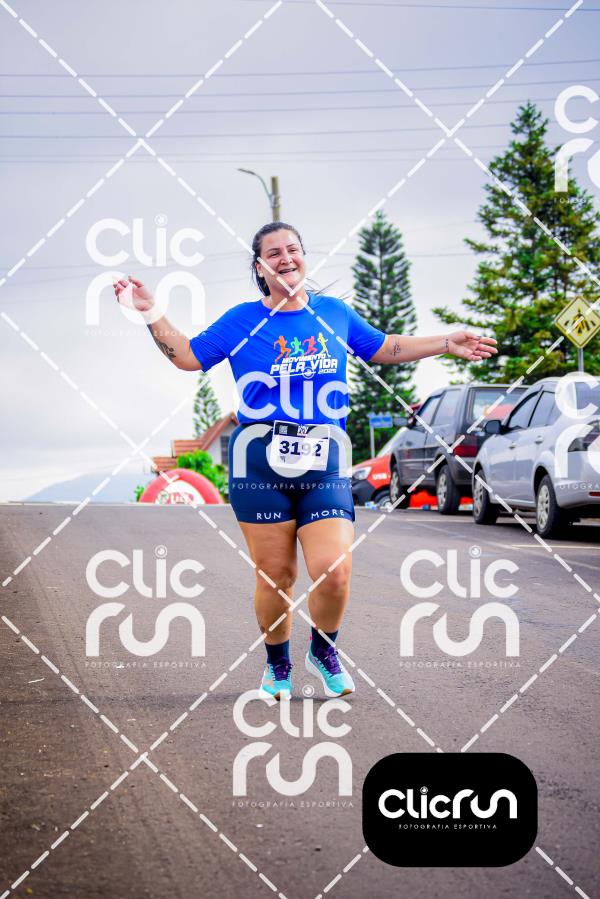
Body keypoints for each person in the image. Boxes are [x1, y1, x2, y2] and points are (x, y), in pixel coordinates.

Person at [114, 221, 497, 700]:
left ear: (304, 256)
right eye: (273, 253)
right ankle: (277, 665)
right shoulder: (241, 321)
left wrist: (446, 342)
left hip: (324, 463)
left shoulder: (333, 314)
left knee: (334, 569)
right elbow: (188, 356)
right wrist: (150, 311)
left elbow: (385, 347)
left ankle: (323, 650)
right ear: (259, 268)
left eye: (292, 249)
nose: (285, 259)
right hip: (259, 467)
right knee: (276, 577)